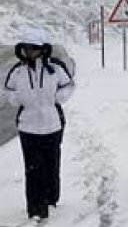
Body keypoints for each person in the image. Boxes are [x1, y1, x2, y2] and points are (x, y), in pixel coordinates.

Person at [3, 28, 75, 224]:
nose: (30, 52)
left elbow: (68, 85)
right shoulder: (18, 71)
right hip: (28, 128)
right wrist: (18, 99)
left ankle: (51, 199)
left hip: (53, 125)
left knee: (51, 165)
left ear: (43, 49)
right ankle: (36, 209)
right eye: (26, 48)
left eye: (34, 48)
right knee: (33, 169)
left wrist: (57, 98)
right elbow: (8, 90)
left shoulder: (55, 68)